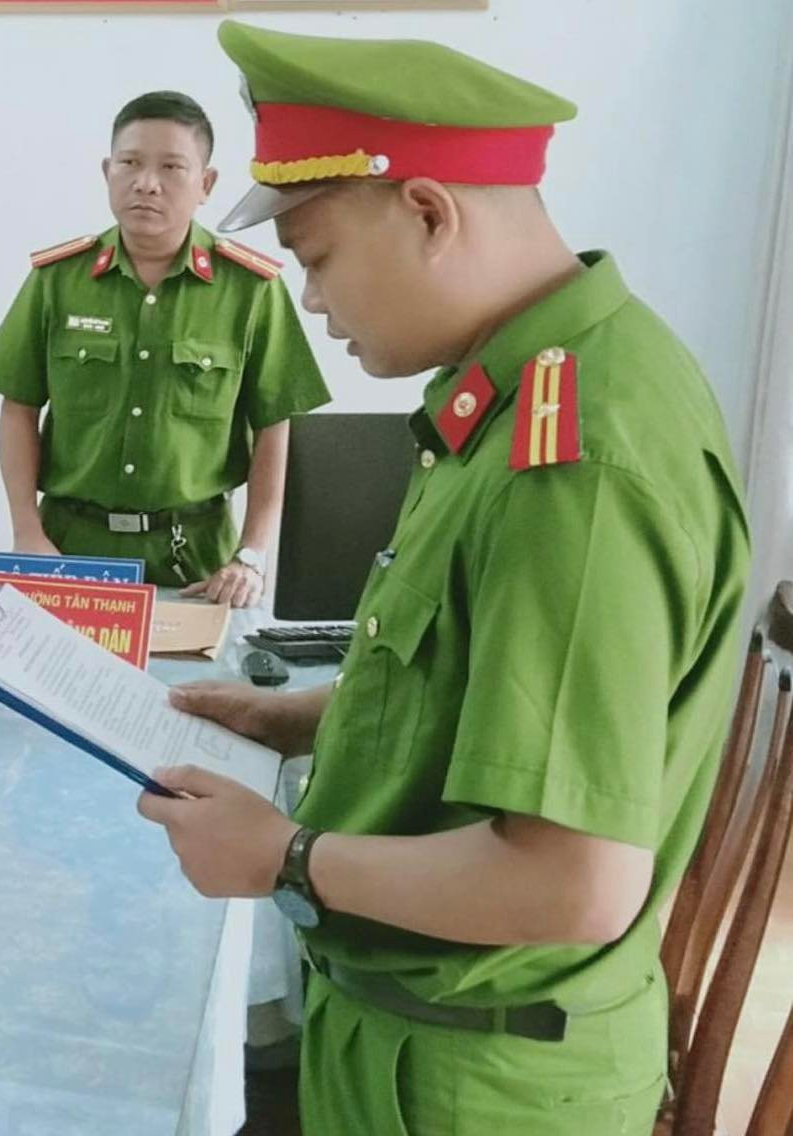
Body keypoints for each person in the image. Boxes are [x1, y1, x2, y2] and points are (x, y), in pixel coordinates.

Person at [136, 22, 750, 1133]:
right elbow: (479, 678)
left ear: (428, 212)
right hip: (426, 1041)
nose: (311, 301)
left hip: (470, 1080)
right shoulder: (526, 388)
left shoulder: (572, 464)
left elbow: (570, 881)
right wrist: (304, 716)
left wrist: (287, 856)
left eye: (318, 258)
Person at [0, 90, 329, 606]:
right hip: (68, 547)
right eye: (130, 163)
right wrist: (27, 532)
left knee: (200, 665)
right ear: (107, 172)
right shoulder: (57, 281)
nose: (146, 183)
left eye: (171, 167)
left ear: (206, 184)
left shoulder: (250, 290)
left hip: (197, 559)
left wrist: (252, 555)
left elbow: (275, 426)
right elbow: (18, 407)